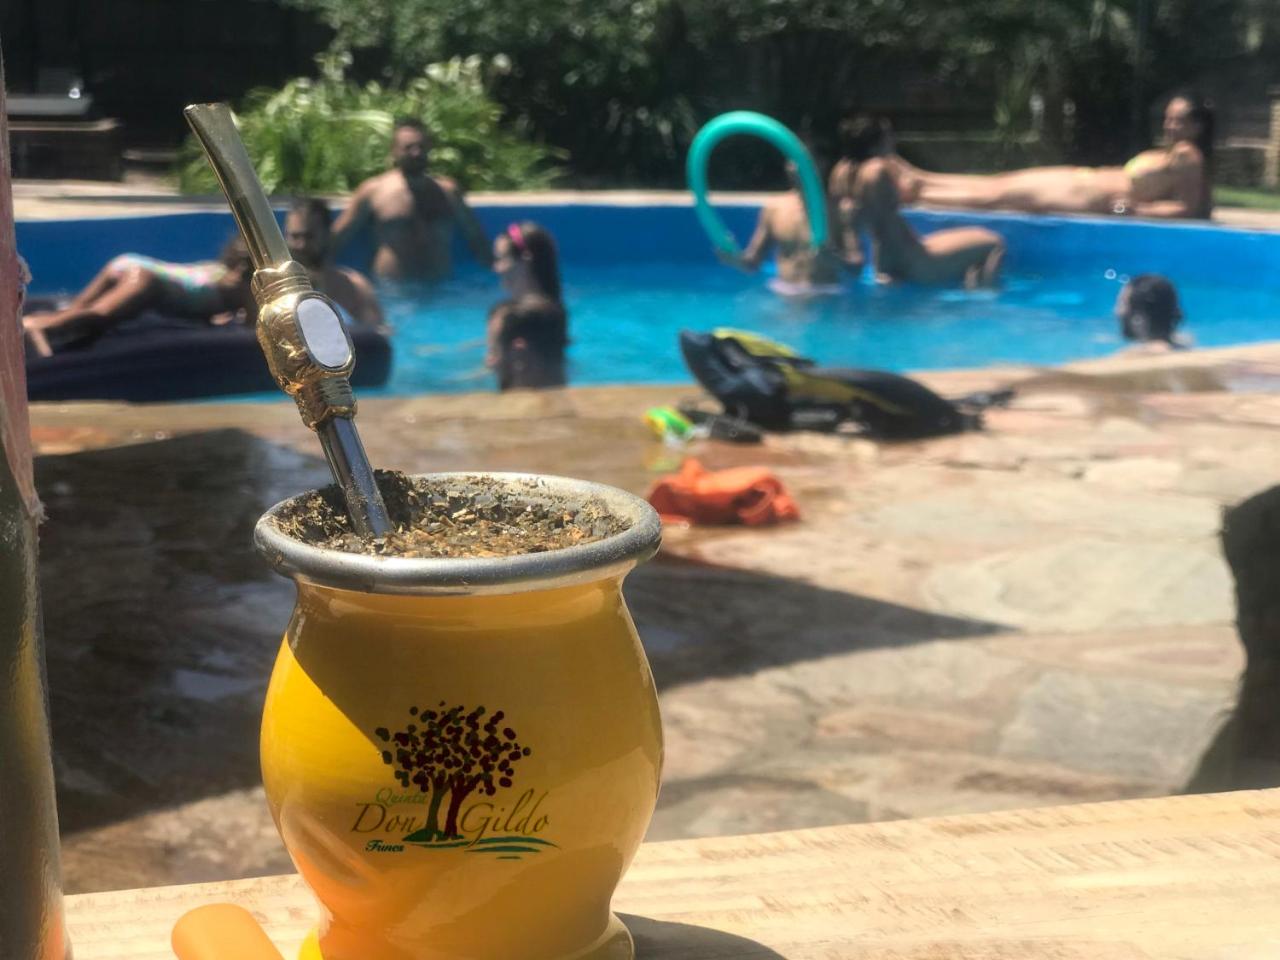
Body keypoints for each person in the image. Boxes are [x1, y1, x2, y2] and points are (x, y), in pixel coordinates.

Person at [857, 93, 1214, 220]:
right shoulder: (1173, 153)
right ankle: (920, 179)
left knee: (1001, 196)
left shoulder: (1188, 156)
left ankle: (919, 192)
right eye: (1168, 118)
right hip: (1081, 181)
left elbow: (1189, 208)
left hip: (1087, 196)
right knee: (999, 184)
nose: (1169, 125)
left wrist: (1135, 210)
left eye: (1178, 120)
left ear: (1197, 126)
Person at [829, 121, 1005, 287]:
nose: (893, 141)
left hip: (886, 261)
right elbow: (891, 207)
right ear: (876, 143)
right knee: (994, 243)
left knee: (974, 237)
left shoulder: (842, 172)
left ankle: (971, 282)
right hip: (915, 263)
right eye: (888, 136)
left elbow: (852, 221)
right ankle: (982, 292)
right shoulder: (877, 170)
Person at [23, 238, 256, 356]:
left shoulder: (216, 270)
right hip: (147, 281)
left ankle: (36, 323)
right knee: (99, 315)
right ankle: (36, 327)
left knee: (76, 311)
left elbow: (197, 300)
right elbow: (253, 327)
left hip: (131, 263)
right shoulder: (244, 289)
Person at [330, 117, 492, 282]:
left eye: (421, 147)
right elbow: (336, 239)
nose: (416, 153)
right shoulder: (374, 191)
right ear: (394, 150)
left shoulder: (448, 192)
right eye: (408, 148)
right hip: (391, 290)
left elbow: (477, 239)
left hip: (441, 289)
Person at [722, 160, 853, 296]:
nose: (798, 166)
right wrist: (734, 259)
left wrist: (835, 260)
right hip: (785, 291)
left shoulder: (838, 209)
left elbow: (857, 267)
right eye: (793, 161)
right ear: (788, 167)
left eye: (806, 159)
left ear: (820, 166)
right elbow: (753, 264)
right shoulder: (774, 208)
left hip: (826, 293)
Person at [485, 222, 568, 390]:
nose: (496, 268)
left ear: (525, 260)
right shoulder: (555, 312)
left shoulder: (512, 317)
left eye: (502, 259)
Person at [284, 198, 384, 327]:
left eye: (310, 237)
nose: (302, 245)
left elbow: (377, 334)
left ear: (327, 235)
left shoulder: (356, 289)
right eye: (295, 236)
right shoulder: (272, 291)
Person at [1115, 274, 1190, 353]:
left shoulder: (1132, 356)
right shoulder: (1185, 347)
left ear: (1139, 316)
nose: (1117, 312)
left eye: (1122, 304)